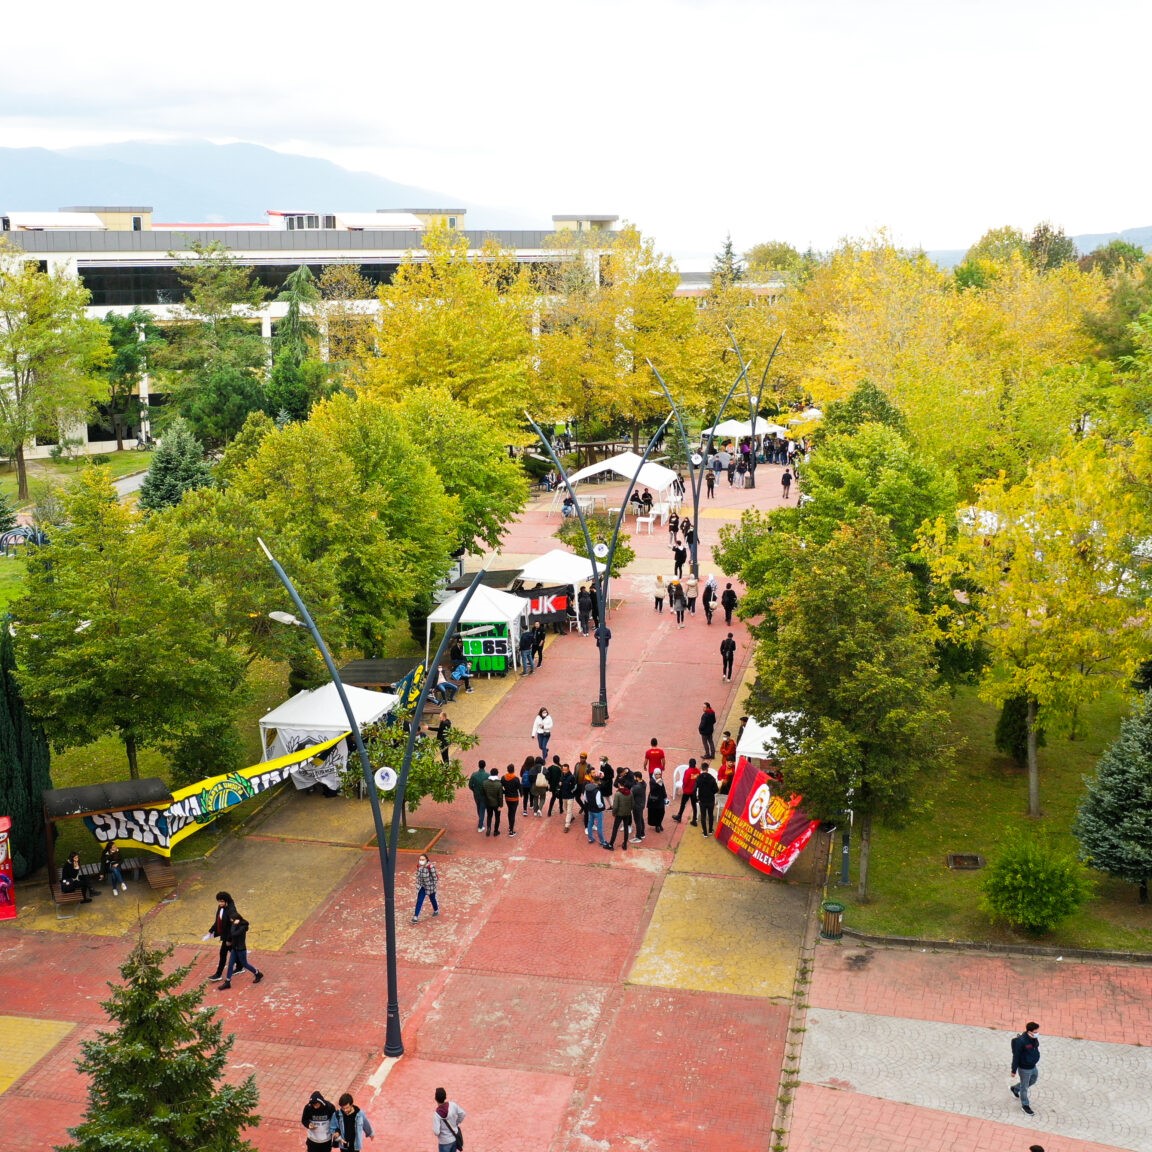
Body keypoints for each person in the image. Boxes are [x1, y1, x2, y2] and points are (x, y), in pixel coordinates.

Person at [219, 911, 264, 989]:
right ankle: (227, 982)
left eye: (232, 919)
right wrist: (229, 941)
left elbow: (234, 934)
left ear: (237, 919)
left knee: (245, 964)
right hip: (234, 948)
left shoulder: (242, 927)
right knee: (230, 964)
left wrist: (234, 925)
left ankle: (257, 973)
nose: (231, 921)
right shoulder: (236, 925)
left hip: (241, 949)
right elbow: (231, 935)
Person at [1010, 1021, 1041, 1116]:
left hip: (1033, 1066)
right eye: (1035, 1032)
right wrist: (1013, 1070)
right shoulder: (1021, 1041)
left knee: (1033, 1080)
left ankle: (1015, 1088)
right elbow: (1016, 1056)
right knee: (1025, 1087)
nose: (1037, 1033)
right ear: (1029, 1031)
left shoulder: (1034, 1039)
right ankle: (1025, 1105)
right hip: (1024, 1068)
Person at [205, 891, 237, 979]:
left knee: (222, 954)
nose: (220, 903)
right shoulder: (221, 907)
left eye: (222, 901)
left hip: (229, 936)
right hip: (225, 935)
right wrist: (211, 931)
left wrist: (229, 940)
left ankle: (218, 974)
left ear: (226, 901)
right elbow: (218, 920)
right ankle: (240, 966)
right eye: (219, 901)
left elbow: (234, 926)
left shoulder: (231, 911)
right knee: (234, 951)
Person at [433, 1087, 465, 1152]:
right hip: (454, 1139)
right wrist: (456, 1123)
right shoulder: (453, 1105)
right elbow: (463, 1114)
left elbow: (436, 1132)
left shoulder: (436, 1114)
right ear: (445, 1096)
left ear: (435, 1099)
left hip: (444, 1143)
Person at [606, 774, 633, 851]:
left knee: (615, 829)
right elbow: (632, 804)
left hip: (619, 814)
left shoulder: (618, 794)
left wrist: (614, 813)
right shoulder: (630, 792)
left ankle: (611, 844)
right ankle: (625, 844)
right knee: (626, 828)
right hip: (627, 813)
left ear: (618, 784)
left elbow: (615, 806)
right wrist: (628, 810)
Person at [412, 853, 439, 922]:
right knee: (419, 900)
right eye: (420, 859)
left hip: (430, 887)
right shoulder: (419, 866)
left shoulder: (430, 867)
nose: (421, 861)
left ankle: (436, 910)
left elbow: (435, 878)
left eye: (423, 859)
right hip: (422, 886)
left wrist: (431, 885)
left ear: (426, 860)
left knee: (432, 899)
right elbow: (418, 877)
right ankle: (415, 916)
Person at [672, 758, 700, 825]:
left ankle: (679, 816)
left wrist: (683, 787)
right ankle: (694, 820)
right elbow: (698, 779)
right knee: (694, 806)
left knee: (683, 804)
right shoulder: (698, 771)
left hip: (687, 791)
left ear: (689, 764)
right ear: (695, 764)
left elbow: (685, 781)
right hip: (693, 791)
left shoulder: (687, 771)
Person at [584, 770, 608, 846]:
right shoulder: (597, 791)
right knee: (599, 826)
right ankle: (602, 841)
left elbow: (585, 799)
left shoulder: (586, 788)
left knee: (590, 824)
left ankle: (590, 838)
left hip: (590, 809)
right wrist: (602, 807)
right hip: (597, 811)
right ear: (598, 782)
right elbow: (599, 803)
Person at [696, 762, 720, 836]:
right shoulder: (712, 778)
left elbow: (695, 788)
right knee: (710, 815)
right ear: (707, 769)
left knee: (703, 816)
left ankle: (705, 833)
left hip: (702, 800)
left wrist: (697, 797)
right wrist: (711, 792)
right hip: (710, 800)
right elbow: (716, 789)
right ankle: (710, 830)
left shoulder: (698, 778)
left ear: (701, 768)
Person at [468, 760, 489, 832]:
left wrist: (474, 790)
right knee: (482, 809)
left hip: (476, 795)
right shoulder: (487, 775)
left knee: (478, 807)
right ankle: (480, 826)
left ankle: (480, 819)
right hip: (484, 795)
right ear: (485, 765)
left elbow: (470, 785)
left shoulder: (474, 775)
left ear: (478, 765)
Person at [557, 763, 578, 831]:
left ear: (568, 769)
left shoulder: (572, 777)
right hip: (564, 796)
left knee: (569, 810)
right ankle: (571, 817)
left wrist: (571, 792)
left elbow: (575, 786)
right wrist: (560, 784)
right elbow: (560, 783)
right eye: (563, 770)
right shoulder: (562, 776)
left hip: (570, 796)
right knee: (565, 808)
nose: (564, 771)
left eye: (565, 770)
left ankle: (567, 825)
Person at [503, 763, 523, 837]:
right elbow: (520, 788)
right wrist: (521, 794)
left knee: (509, 811)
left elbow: (500, 786)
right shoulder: (516, 779)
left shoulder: (503, 778)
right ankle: (511, 830)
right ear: (513, 770)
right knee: (513, 813)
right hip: (514, 798)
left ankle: (510, 826)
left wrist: (504, 792)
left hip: (507, 798)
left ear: (507, 770)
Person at [482, 767, 503, 836]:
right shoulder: (499, 784)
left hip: (488, 803)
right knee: (497, 817)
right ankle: (496, 831)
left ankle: (488, 828)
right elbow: (500, 796)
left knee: (489, 816)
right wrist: (501, 805)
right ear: (497, 774)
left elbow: (483, 793)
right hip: (496, 804)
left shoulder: (485, 783)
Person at [647, 768, 667, 833]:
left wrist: (665, 796)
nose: (658, 775)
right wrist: (657, 783)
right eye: (656, 774)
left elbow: (663, 788)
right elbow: (652, 790)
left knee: (662, 812)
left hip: (660, 798)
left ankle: (659, 823)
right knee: (656, 813)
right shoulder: (652, 781)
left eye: (659, 774)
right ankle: (657, 825)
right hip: (654, 800)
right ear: (654, 774)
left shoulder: (660, 780)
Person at [630, 768, 647, 842]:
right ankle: (642, 833)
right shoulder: (644, 783)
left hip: (636, 806)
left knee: (637, 821)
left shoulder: (636, 787)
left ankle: (638, 836)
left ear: (637, 777)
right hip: (642, 804)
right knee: (641, 819)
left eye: (634, 777)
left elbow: (630, 794)